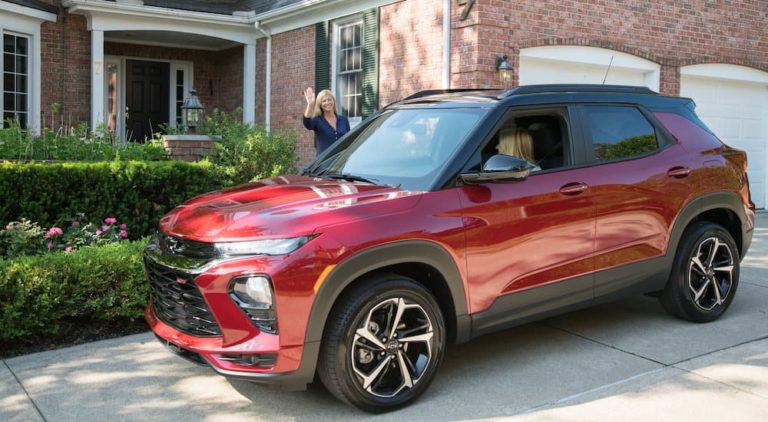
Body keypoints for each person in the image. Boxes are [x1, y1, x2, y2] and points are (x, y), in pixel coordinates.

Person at [303, 87, 350, 155]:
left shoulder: (343, 120)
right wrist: (310, 105)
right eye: (324, 101)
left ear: (333, 101)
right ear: (320, 104)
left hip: (341, 161)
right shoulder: (317, 120)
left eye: (329, 100)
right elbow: (307, 123)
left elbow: (349, 141)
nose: (327, 102)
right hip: (324, 163)